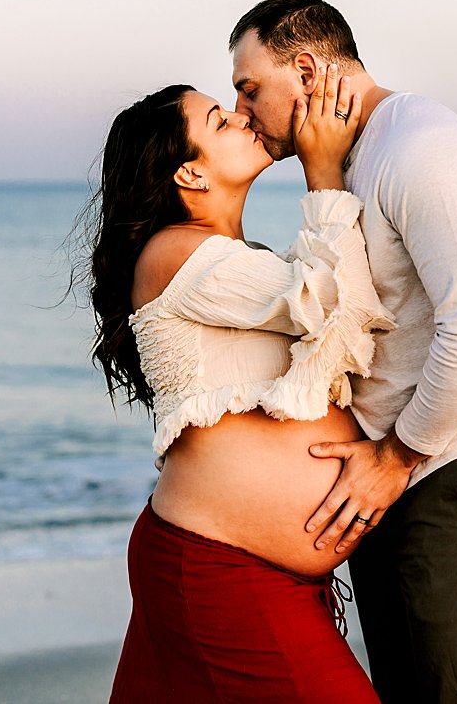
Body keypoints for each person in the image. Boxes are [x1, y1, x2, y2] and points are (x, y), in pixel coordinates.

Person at [229, 0, 457, 703]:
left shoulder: (424, 149)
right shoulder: (355, 160)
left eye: (249, 88)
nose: (241, 112)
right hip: (414, 479)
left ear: (306, 68)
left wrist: (397, 456)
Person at [82, 71, 393, 700]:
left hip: (244, 569)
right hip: (218, 567)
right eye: (220, 122)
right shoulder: (175, 253)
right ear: (189, 175)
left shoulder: (238, 257)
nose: (244, 117)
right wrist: (324, 172)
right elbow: (334, 303)